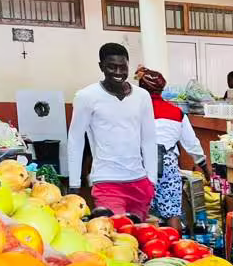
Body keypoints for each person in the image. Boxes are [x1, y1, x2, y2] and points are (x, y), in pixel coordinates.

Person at [67, 43, 157, 220]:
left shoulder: (142, 96)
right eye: (111, 67)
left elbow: (149, 139)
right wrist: (74, 184)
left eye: (122, 67)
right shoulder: (86, 96)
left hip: (140, 182)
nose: (118, 72)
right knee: (117, 235)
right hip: (107, 182)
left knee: (138, 239)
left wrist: (151, 180)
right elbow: (76, 140)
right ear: (101, 66)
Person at [135, 66, 210, 231]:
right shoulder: (176, 113)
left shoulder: (133, 111)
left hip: (139, 163)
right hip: (168, 164)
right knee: (172, 213)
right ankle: (176, 249)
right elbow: (192, 144)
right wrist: (205, 167)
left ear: (141, 89)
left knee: (140, 214)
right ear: (162, 89)